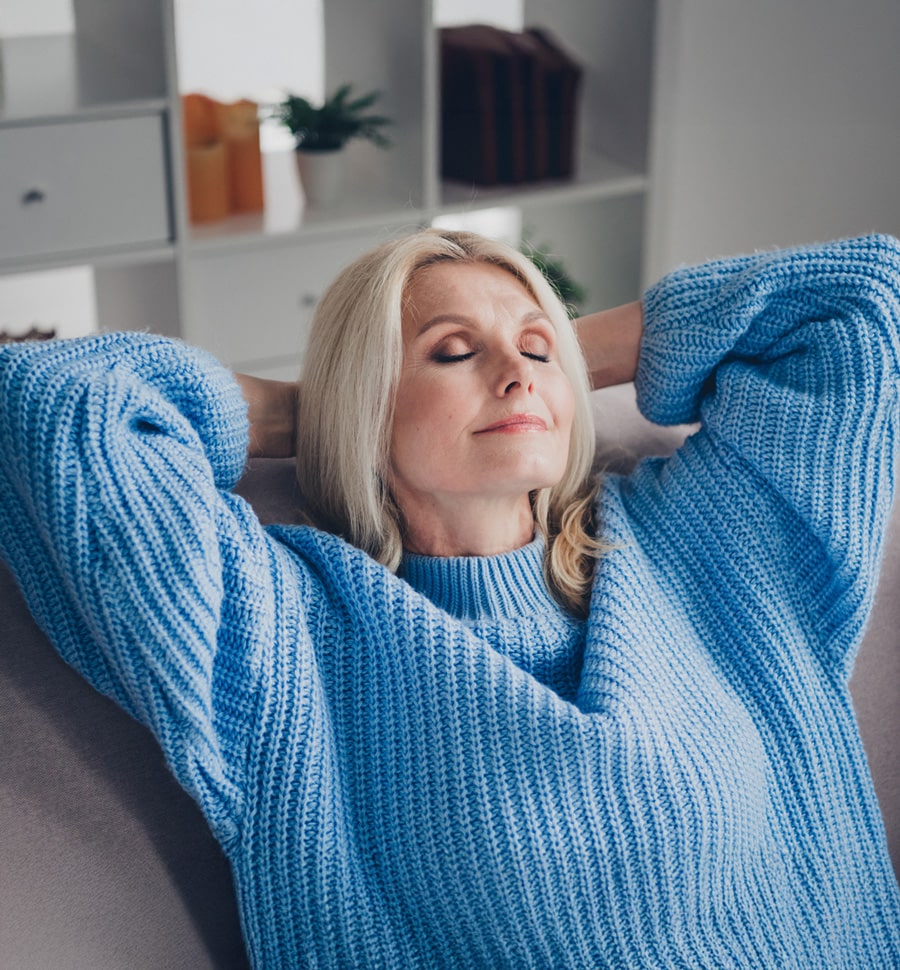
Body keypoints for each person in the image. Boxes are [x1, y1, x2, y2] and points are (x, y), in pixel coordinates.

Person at [1, 227, 899, 968]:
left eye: (537, 351)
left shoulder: (703, 546)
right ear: (366, 409)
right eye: (454, 352)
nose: (515, 373)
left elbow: (862, 302)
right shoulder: (286, 640)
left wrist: (556, 352)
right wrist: (304, 409)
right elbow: (54, 402)